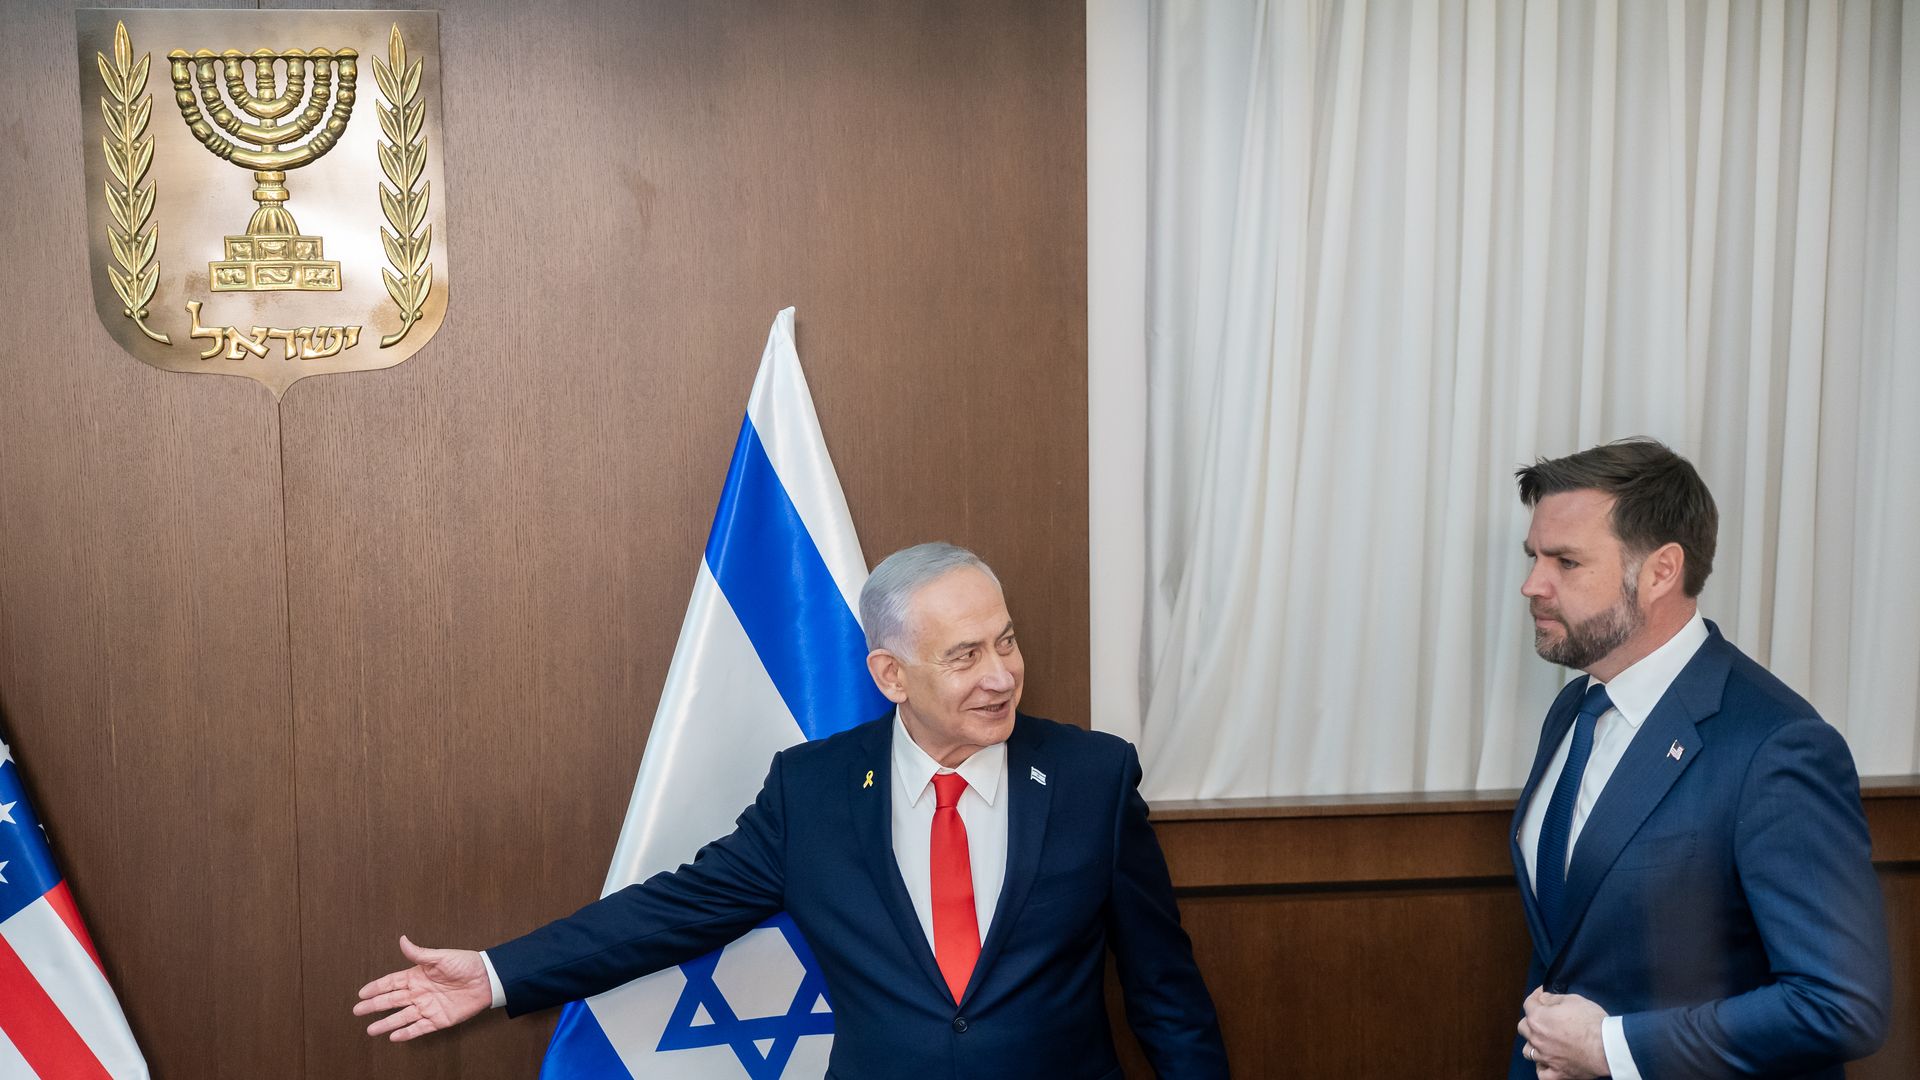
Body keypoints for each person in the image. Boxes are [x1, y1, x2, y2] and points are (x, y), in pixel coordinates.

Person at [354, 542, 1229, 1078]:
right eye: (964, 656)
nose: (1001, 675)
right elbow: (670, 911)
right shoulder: (812, 792)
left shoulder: (1092, 777)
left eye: (1006, 641)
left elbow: (1165, 991)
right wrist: (497, 973)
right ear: (890, 675)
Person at [1507, 439, 1889, 1080]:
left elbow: (1840, 1005)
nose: (1532, 585)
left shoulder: (1778, 745)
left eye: (1566, 561)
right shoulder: (1576, 706)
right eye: (1534, 557)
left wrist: (1612, 1047)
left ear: (1661, 571)